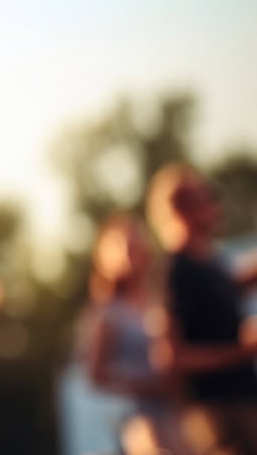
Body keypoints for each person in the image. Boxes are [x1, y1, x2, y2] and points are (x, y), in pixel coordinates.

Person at [146, 162, 257, 454]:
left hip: (242, 400)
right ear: (181, 210)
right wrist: (242, 351)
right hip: (214, 413)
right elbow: (172, 357)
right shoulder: (175, 271)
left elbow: (230, 286)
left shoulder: (210, 264)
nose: (215, 203)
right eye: (206, 195)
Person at [76, 213, 187, 453]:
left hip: (171, 408)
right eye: (123, 247)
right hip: (135, 417)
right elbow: (95, 376)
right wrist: (142, 385)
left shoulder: (158, 300)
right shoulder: (107, 312)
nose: (131, 253)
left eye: (135, 245)